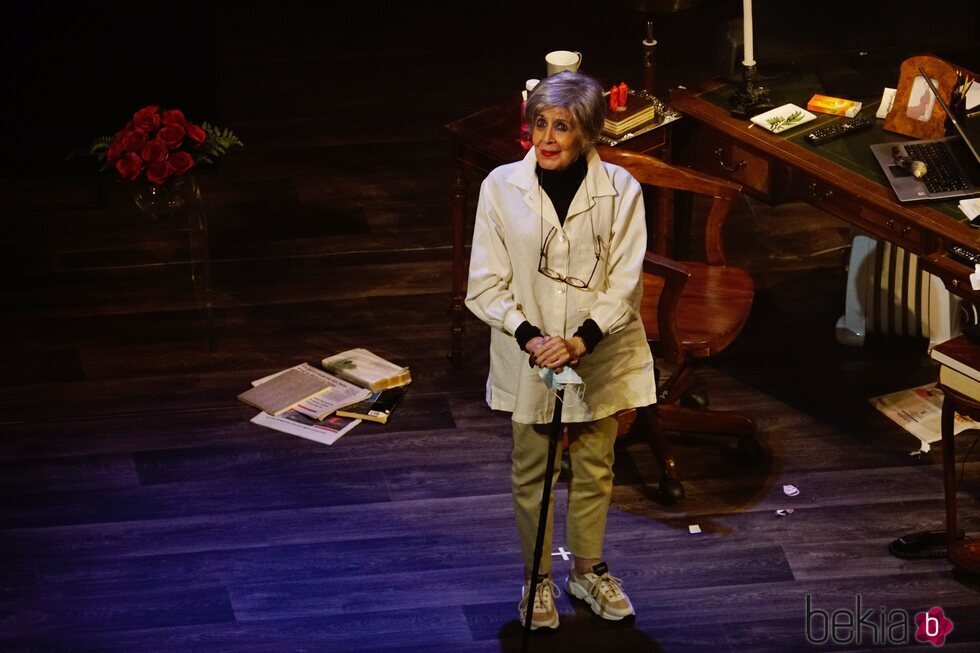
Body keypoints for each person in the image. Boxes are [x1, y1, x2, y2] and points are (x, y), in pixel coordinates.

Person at [465, 71, 657, 630]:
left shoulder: (621, 191)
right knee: (534, 470)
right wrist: (534, 340)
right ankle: (538, 579)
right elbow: (485, 284)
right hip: (533, 354)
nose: (547, 139)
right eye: (541, 124)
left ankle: (588, 570)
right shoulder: (500, 187)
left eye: (563, 127)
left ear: (590, 134)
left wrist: (582, 341)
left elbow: (625, 284)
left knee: (597, 465)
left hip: (599, 350)